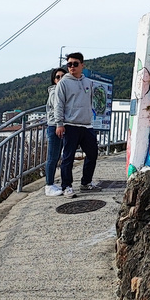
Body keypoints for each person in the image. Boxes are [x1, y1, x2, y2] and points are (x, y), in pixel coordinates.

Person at [50, 52, 98, 197]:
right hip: (70, 124)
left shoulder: (88, 82)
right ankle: (67, 186)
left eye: (75, 64)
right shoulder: (63, 83)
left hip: (86, 125)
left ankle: (86, 182)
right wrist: (59, 123)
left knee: (93, 153)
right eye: (69, 64)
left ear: (82, 65)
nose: (72, 67)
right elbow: (59, 104)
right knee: (68, 157)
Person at [43, 67, 68, 196]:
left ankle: (51, 183)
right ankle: (49, 185)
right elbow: (58, 108)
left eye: (63, 76)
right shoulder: (55, 92)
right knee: (52, 157)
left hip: (59, 126)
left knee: (57, 155)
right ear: (54, 80)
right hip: (54, 127)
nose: (60, 79)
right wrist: (59, 124)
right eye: (57, 77)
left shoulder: (62, 91)